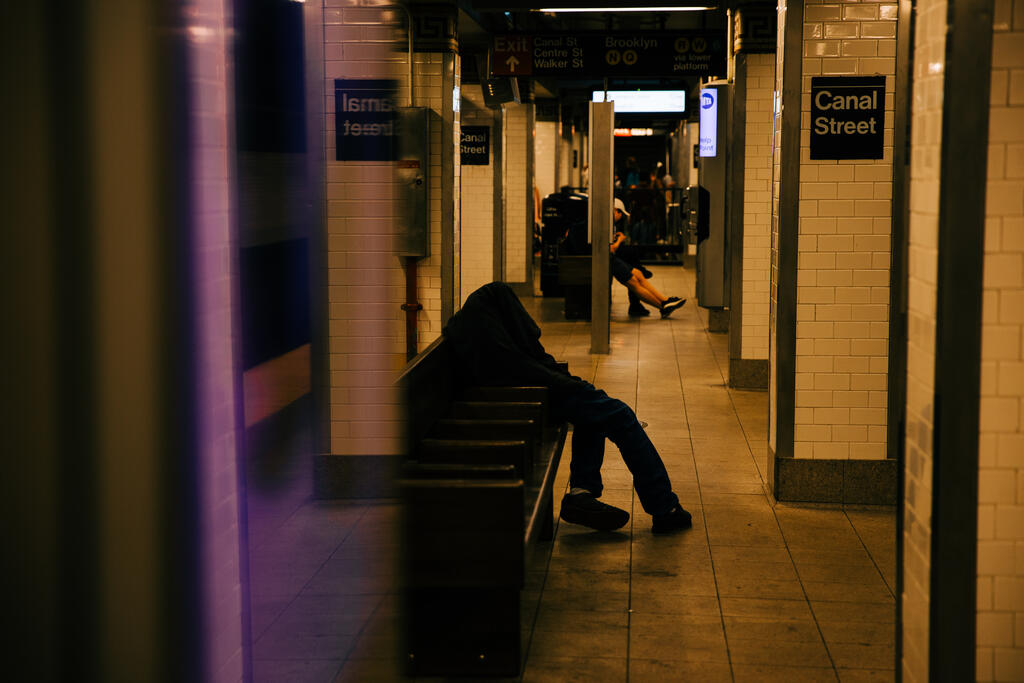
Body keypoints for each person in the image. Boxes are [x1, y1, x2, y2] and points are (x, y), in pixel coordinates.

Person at [443, 282, 693, 533]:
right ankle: (665, 508)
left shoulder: (480, 330)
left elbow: (528, 359)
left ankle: (581, 494)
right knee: (621, 416)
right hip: (528, 403)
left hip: (525, 400)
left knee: (594, 413)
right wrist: (565, 380)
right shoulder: (496, 339)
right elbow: (529, 362)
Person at [610, 198, 686, 319]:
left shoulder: (610, 226)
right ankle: (663, 306)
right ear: (615, 211)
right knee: (634, 281)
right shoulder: (606, 226)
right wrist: (619, 239)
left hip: (612, 259)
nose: (621, 218)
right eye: (620, 214)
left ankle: (665, 300)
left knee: (638, 273)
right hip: (609, 260)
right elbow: (611, 249)